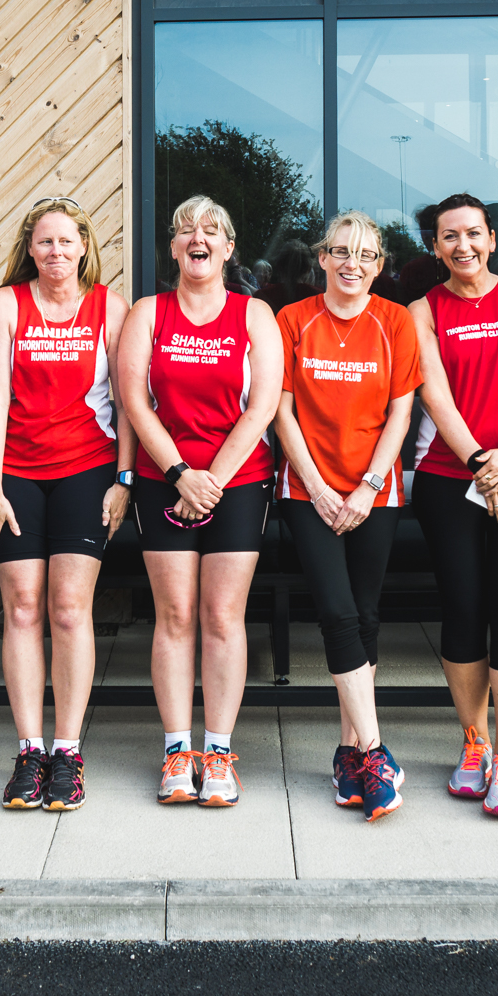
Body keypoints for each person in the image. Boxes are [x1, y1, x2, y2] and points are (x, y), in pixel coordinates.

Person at [116, 195, 282, 809]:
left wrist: (209, 479)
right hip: (167, 477)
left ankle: (217, 751)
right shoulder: (148, 312)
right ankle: (175, 750)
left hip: (236, 481)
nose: (197, 237)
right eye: (186, 229)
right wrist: (181, 472)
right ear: (172, 246)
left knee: (220, 617)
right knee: (176, 616)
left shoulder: (253, 314)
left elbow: (262, 405)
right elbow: (135, 401)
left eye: (211, 229)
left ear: (229, 247)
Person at [0, 197, 133, 812]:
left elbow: (127, 401)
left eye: (67, 242)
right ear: (29, 248)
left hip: (87, 471)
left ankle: (66, 750)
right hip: (16, 471)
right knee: (21, 609)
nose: (56, 253)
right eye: (45, 242)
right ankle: (28, 749)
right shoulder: (4, 305)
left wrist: (124, 478)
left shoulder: (108, 307)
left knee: (69, 610)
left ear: (84, 248)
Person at [272, 211, 422, 822]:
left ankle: (348, 751)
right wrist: (317, 485)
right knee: (336, 613)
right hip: (307, 490)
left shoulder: (395, 321)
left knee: (363, 616)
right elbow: (280, 411)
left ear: (379, 265)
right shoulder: (293, 320)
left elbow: (400, 414)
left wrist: (364, 488)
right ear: (322, 258)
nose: (352, 264)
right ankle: (376, 750)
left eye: (364, 254)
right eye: (340, 252)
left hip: (373, 493)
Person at [408, 193, 498, 820]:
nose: (462, 246)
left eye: (472, 233)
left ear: (492, 238)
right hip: (448, 473)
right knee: (463, 603)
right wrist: (479, 467)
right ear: (435, 247)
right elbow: (435, 395)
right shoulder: (422, 309)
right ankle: (472, 739)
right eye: (449, 237)